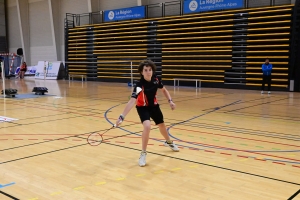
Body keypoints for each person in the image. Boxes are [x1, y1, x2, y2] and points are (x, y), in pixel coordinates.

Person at [115, 59, 179, 167]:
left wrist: (170, 101)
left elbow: (164, 90)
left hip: (154, 107)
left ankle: (168, 142)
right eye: (146, 70)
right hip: (143, 108)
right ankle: (143, 153)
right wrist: (121, 117)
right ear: (141, 72)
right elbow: (131, 101)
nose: (148, 72)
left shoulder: (156, 80)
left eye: (150, 70)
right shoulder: (139, 85)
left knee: (162, 125)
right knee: (147, 126)